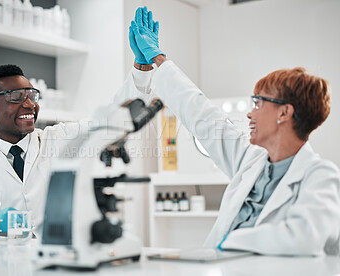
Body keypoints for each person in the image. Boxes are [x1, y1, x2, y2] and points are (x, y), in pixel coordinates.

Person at [116, 6, 340, 255]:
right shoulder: (251, 159)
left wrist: (226, 243)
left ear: (284, 113)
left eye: (258, 103)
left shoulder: (321, 176)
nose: (249, 113)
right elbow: (200, 113)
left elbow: (303, 238)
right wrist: (156, 59)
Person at [0, 65, 88, 232]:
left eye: (32, 96)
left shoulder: (58, 138)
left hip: (52, 256)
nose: (30, 105)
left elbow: (110, 118)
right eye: (17, 97)